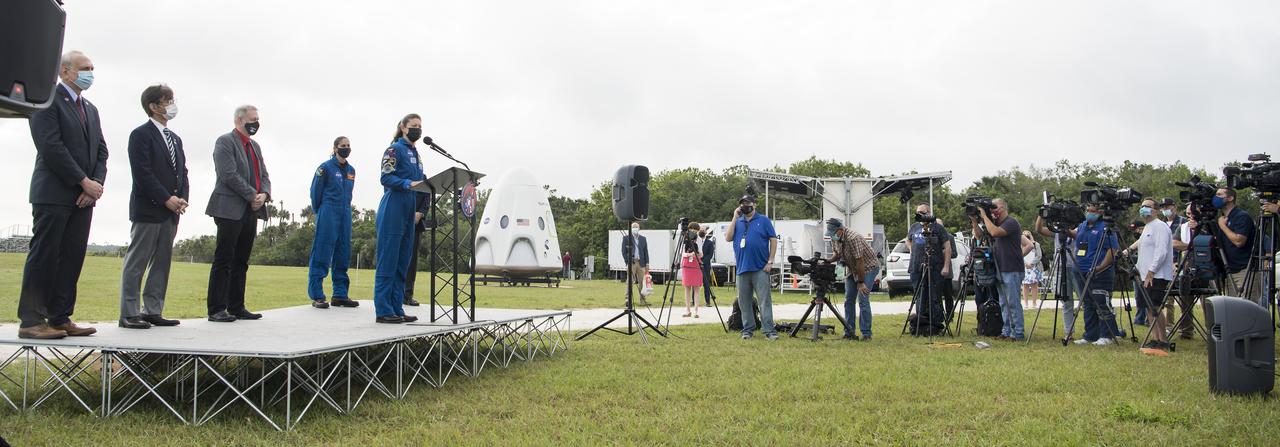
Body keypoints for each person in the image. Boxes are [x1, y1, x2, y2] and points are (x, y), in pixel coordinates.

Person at [18, 51, 107, 339]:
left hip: (84, 197)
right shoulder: (47, 99)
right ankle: (31, 320)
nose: (90, 72)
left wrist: (94, 184)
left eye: (92, 68)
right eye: (84, 68)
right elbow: (51, 146)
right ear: (65, 72)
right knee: (45, 255)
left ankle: (60, 316)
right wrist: (82, 181)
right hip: (54, 193)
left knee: (72, 257)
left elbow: (102, 152)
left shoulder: (90, 108)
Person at [118, 84, 188, 329]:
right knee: (137, 262)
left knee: (162, 262)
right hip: (149, 209)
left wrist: (181, 198)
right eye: (167, 100)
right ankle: (129, 312)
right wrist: (165, 198)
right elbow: (143, 173)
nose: (172, 104)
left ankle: (153, 310)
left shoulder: (175, 139)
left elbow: (182, 172)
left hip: (171, 212)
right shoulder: (140, 135)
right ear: (154, 106)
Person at [205, 105, 271, 322]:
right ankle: (216, 308)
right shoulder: (225, 142)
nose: (256, 124)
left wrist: (264, 194)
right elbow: (228, 174)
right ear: (239, 120)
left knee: (241, 260)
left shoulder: (255, 146)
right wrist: (252, 195)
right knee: (224, 258)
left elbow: (264, 174)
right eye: (252, 120)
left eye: (257, 119)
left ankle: (236, 306)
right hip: (229, 208)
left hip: (251, 210)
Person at [373, 114, 427, 324]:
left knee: (402, 262)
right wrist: (407, 184)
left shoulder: (417, 153)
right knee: (389, 260)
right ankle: (383, 310)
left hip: (410, 208)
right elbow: (385, 177)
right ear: (403, 128)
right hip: (394, 205)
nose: (417, 129)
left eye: (420, 126)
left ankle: (396, 307)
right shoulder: (394, 149)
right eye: (413, 126)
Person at [307, 136, 359, 309]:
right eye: (343, 146)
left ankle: (340, 294)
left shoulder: (351, 170)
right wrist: (319, 211)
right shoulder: (325, 168)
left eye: (348, 145)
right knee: (322, 251)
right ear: (335, 148)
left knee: (343, 251)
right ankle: (317, 295)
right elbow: (315, 191)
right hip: (328, 209)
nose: (346, 148)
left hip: (345, 211)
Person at [972, 198, 1033, 341]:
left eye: (996, 207)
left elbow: (994, 233)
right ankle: (1006, 331)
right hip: (1000, 268)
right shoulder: (995, 223)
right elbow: (980, 235)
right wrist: (975, 221)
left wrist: (985, 216)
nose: (993, 210)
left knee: (1012, 302)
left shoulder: (1011, 222)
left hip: (1011, 268)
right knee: (1003, 302)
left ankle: (1017, 332)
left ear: (1004, 208)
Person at [1064, 204, 1123, 345]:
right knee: (1088, 304)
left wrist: (1100, 267)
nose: (1090, 213)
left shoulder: (1105, 227)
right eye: (1088, 210)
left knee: (1101, 302)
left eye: (1093, 211)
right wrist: (1063, 227)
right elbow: (1074, 234)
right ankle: (1091, 334)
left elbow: (1112, 250)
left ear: (1100, 213)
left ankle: (1107, 335)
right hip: (1080, 269)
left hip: (1099, 271)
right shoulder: (1083, 225)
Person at [725, 195, 779, 340]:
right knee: (744, 302)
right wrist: (734, 218)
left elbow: (773, 240)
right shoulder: (738, 221)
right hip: (742, 268)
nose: (745, 205)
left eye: (748, 203)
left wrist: (770, 261)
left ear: (754, 205)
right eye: (742, 203)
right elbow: (728, 237)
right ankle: (747, 330)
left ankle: (769, 330)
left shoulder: (763, 220)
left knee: (764, 300)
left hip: (760, 268)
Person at [1202, 188, 1259, 305]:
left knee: (1248, 307)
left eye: (1219, 195)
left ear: (1230, 198)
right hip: (1229, 270)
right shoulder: (1221, 218)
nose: (1216, 198)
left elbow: (1239, 241)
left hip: (1245, 270)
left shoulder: (1241, 216)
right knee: (1234, 311)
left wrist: (1223, 226)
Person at [826, 218, 878, 340]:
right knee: (848, 299)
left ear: (840, 230)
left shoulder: (853, 238)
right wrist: (827, 261)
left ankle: (866, 333)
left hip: (868, 267)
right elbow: (837, 254)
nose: (831, 236)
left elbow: (860, 261)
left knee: (863, 298)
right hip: (852, 268)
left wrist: (860, 282)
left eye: (833, 233)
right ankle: (849, 331)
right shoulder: (834, 238)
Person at [1135, 201, 1175, 353]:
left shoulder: (1160, 226)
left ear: (1156, 211)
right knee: (1148, 308)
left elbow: (1162, 251)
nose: (1143, 209)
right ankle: (1155, 338)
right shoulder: (1147, 227)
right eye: (1142, 206)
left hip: (1157, 274)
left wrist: (1152, 271)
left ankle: (1163, 340)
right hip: (1145, 275)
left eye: (1147, 206)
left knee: (1155, 307)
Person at [906, 204, 952, 335]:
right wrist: (912, 250)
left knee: (934, 296)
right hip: (916, 266)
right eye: (918, 212)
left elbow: (947, 247)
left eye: (922, 212)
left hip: (935, 266)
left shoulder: (938, 228)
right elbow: (908, 240)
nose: (920, 214)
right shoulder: (914, 227)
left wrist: (946, 266)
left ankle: (936, 325)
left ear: (929, 212)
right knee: (919, 295)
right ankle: (920, 324)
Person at [1034, 214, 1080, 341]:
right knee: (1066, 301)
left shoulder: (1081, 228)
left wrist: (1065, 228)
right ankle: (1068, 332)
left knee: (1085, 299)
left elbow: (1076, 235)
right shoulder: (1057, 231)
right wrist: (1041, 215)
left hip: (1076, 266)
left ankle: (1092, 331)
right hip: (1060, 266)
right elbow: (1039, 229)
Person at [402, 180, 431, 307]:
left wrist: (421, 212)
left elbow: (427, 198)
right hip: (398, 221)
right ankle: (393, 294)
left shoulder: (424, 179)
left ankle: (407, 295)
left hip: (415, 225)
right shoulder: (401, 175)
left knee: (411, 262)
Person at [621, 222, 650, 305]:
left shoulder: (643, 239)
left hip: (641, 263)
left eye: (636, 227)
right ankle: (628, 300)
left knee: (642, 282)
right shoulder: (626, 238)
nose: (635, 228)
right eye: (633, 227)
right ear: (630, 228)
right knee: (630, 281)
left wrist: (647, 263)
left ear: (639, 228)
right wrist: (627, 261)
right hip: (632, 263)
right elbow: (623, 251)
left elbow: (645, 251)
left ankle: (643, 300)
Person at [680, 227, 703, 318]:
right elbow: (682, 253)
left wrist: (696, 254)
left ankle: (696, 311)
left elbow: (701, 253)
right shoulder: (685, 238)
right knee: (687, 288)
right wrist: (689, 254)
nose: (693, 231)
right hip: (687, 263)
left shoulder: (699, 239)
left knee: (696, 288)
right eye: (691, 229)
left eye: (695, 229)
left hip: (696, 263)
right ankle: (688, 310)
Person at [1021, 230, 1042, 309]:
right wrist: (1025, 264)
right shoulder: (1020, 244)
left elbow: (1039, 256)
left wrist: (1032, 263)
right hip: (1024, 267)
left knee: (1034, 285)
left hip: (1034, 267)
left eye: (1028, 235)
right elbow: (1019, 255)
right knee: (1025, 285)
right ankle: (1025, 302)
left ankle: (1034, 302)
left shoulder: (1036, 244)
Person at [700, 227, 717, 306]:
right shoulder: (696, 242)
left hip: (706, 266)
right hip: (696, 266)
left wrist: (702, 262)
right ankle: (693, 301)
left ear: (706, 232)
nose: (702, 231)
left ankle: (707, 302)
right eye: (700, 230)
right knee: (695, 283)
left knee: (706, 284)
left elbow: (710, 255)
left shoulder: (710, 243)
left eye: (703, 230)